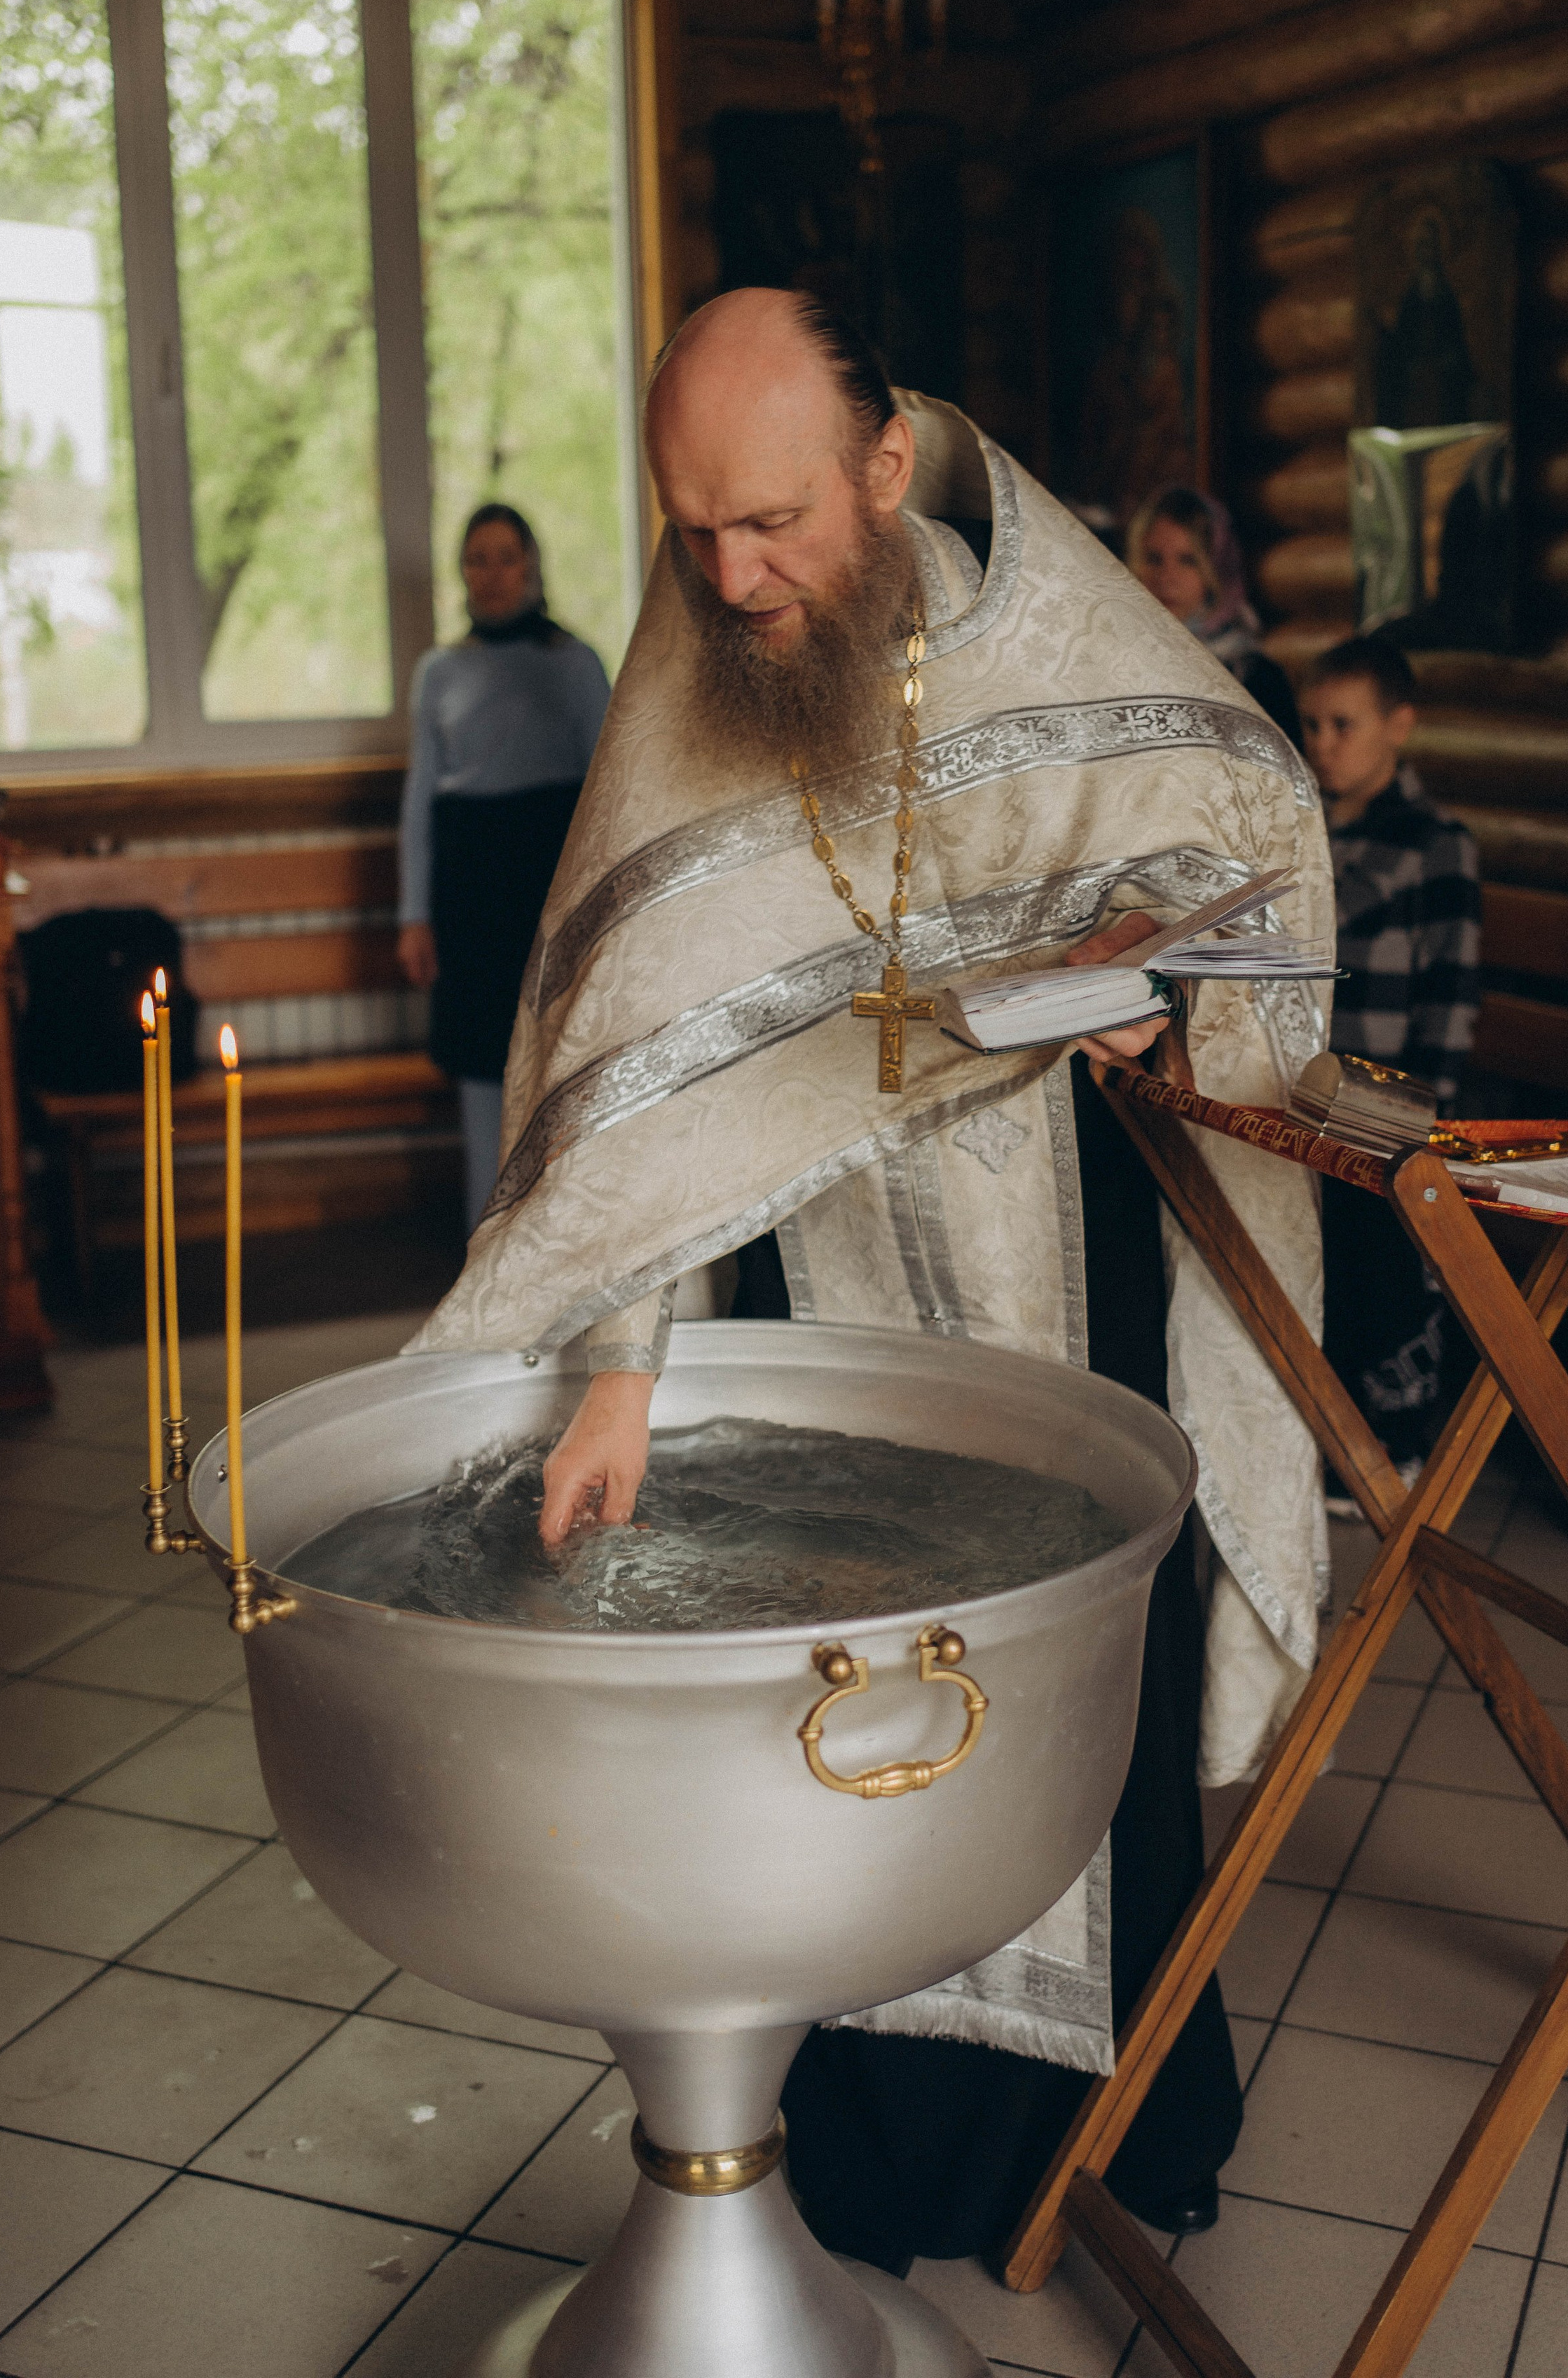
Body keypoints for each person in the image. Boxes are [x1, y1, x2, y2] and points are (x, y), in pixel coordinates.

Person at [407, 291, 1334, 2263]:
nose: (732, 577)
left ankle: (1124, 2132)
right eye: (692, 529)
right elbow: (635, 1070)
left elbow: (1242, 844)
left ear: (887, 469)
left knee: (1096, 1690)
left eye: (775, 524)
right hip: (812, 1296)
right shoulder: (694, 680)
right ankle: (893, 2161)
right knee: (838, 1715)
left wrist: (1156, 999)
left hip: (1070, 1261)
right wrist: (623, 1368)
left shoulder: (1064, 630)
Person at [398, 504, 610, 1232]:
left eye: (505, 557)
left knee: (557, 1066)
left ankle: (559, 1240)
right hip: (466, 898)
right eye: (476, 559)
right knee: (483, 1077)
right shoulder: (438, 672)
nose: (491, 574)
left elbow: (608, 793)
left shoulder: (575, 665)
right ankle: (484, 1251)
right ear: (462, 574)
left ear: (531, 566)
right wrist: (412, 916)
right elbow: (419, 800)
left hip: (548, 888)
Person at [1300, 633, 1480, 1476]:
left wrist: (1426, 1117)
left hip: (1389, 1102)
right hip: (1300, 1087)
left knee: (1381, 1259)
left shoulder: (1435, 843)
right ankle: (1325, 1434)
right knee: (1317, 1257)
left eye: (1343, 725)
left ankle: (1393, 1439)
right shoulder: (1298, 830)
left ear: (1398, 726)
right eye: (1311, 725)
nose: (1323, 744)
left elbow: (1450, 989)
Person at [1127, 483, 1302, 749]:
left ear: (1215, 569)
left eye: (1188, 560)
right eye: (1154, 559)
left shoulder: (1254, 677)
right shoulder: (1119, 660)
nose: (1166, 578)